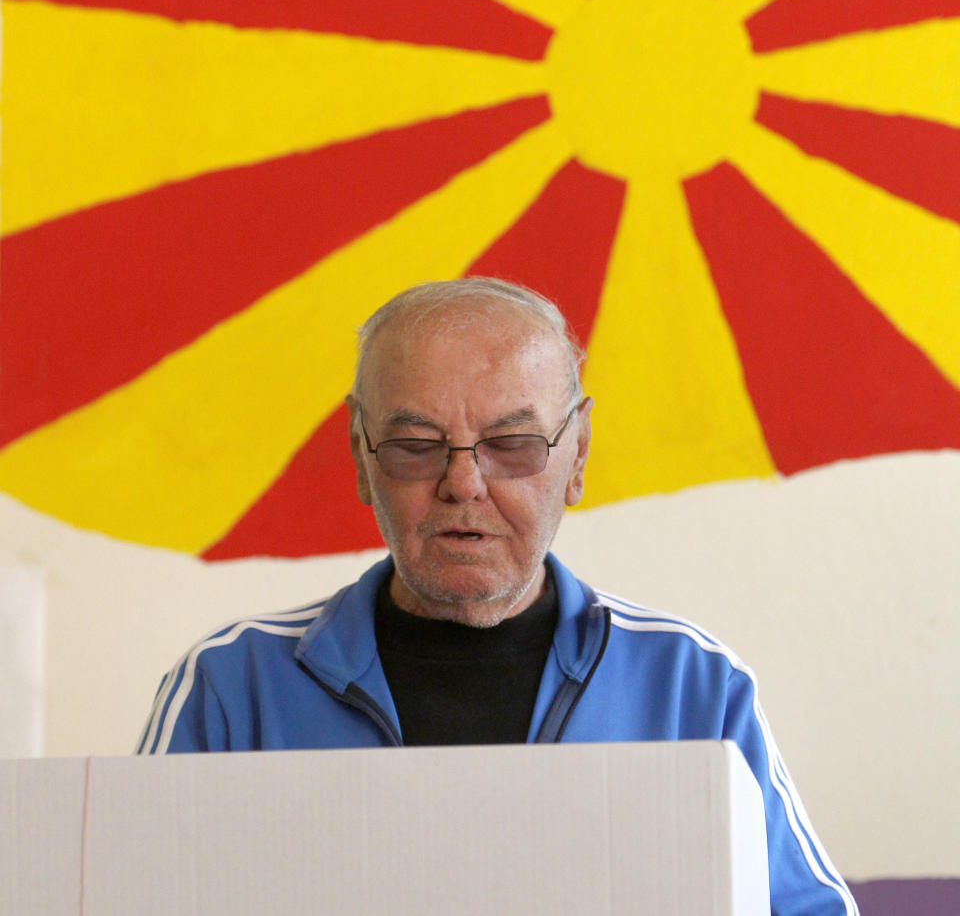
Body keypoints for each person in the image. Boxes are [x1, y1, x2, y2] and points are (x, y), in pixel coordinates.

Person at [138, 278, 858, 916]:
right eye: (416, 445)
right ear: (361, 457)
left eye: (512, 443)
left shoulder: (690, 686)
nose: (463, 484)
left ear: (576, 455)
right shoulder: (233, 688)